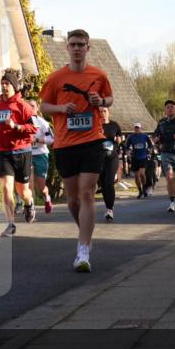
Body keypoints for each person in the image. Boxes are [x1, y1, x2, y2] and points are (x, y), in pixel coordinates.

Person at [40, 29, 113, 271]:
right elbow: (44, 106)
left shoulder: (99, 75)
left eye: (82, 44)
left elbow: (110, 98)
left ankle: (83, 250)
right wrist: (61, 108)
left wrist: (100, 102)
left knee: (87, 194)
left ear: (88, 48)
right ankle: (85, 234)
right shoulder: (56, 78)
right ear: (67, 48)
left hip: (92, 142)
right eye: (73, 44)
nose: (77, 48)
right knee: (72, 201)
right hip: (65, 145)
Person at [0, 70, 36, 235]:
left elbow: (33, 129)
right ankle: (10, 223)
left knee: (23, 191)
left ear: (14, 87)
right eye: (2, 84)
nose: (4, 86)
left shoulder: (24, 106)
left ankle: (29, 203)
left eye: (7, 84)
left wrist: (16, 126)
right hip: (4, 153)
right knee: (6, 188)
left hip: (22, 151)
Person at [26, 98, 54, 214]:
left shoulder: (42, 123)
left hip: (41, 155)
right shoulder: (22, 122)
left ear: (37, 108)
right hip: (27, 154)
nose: (30, 108)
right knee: (29, 183)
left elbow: (51, 139)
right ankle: (31, 207)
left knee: (41, 188)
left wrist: (36, 139)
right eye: (28, 106)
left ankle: (47, 197)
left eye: (32, 106)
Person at [97, 106, 121, 220]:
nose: (102, 113)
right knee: (102, 183)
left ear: (108, 113)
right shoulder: (95, 125)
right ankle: (108, 206)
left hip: (112, 158)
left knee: (109, 182)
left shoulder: (114, 125)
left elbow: (120, 138)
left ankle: (109, 209)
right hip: (98, 158)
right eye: (100, 111)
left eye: (104, 111)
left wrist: (119, 140)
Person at [125, 123, 153, 198]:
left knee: (142, 174)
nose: (137, 129)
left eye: (138, 128)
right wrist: (128, 153)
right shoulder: (131, 137)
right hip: (134, 158)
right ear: (134, 128)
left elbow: (150, 145)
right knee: (136, 176)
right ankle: (140, 191)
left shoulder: (145, 136)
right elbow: (127, 147)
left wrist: (149, 151)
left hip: (143, 157)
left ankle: (144, 188)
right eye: (135, 128)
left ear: (140, 128)